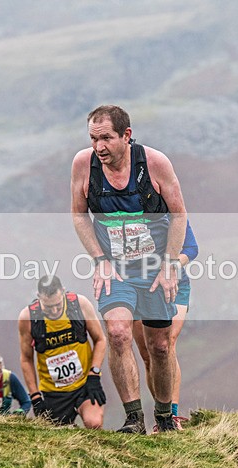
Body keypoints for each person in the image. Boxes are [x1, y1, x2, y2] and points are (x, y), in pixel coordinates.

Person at [71, 105, 188, 434]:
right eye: (93, 139)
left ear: (127, 135)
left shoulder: (154, 163)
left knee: (160, 347)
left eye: (106, 138)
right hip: (116, 270)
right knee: (119, 333)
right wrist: (99, 259)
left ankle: (164, 419)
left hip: (153, 267)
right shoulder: (84, 164)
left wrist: (169, 264)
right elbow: (79, 215)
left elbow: (179, 215)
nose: (99, 147)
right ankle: (134, 418)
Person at [132, 220, 198, 432]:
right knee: (147, 355)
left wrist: (171, 266)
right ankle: (161, 415)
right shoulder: (126, 210)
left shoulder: (169, 210)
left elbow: (191, 248)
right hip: (137, 286)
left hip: (174, 284)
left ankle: (172, 415)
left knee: (165, 344)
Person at [18, 275, 107, 428]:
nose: (54, 311)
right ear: (39, 298)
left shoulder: (79, 305)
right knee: (55, 439)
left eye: (58, 305)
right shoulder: (28, 318)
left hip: (84, 384)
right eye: (48, 307)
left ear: (63, 292)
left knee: (94, 424)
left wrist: (94, 375)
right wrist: (35, 396)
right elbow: (26, 359)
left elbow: (100, 340)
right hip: (53, 392)